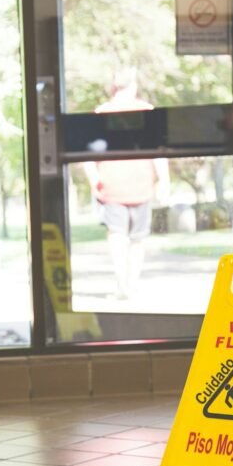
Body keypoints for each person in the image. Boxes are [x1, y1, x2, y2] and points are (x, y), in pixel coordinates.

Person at [83, 69, 170, 299]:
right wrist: (164, 180)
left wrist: (94, 180)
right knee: (137, 239)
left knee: (117, 235)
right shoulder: (147, 111)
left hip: (111, 187)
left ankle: (122, 285)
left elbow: (88, 154)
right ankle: (132, 284)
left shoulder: (101, 112)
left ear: (113, 87)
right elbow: (159, 151)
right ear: (133, 86)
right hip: (141, 186)